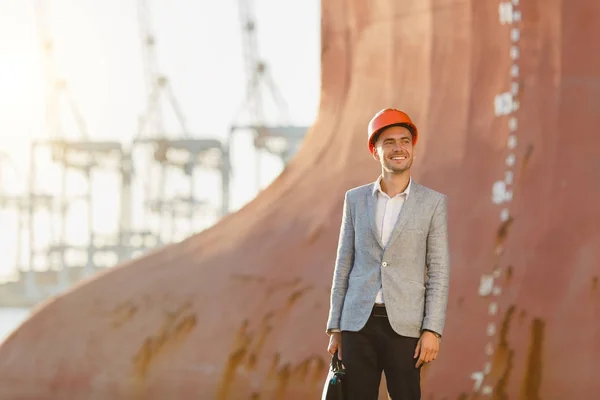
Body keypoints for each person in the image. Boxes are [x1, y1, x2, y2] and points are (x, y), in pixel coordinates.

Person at [325, 108, 450, 399]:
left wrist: (433, 329)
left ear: (413, 149)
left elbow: (439, 271)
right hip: (358, 324)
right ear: (375, 151)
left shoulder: (433, 203)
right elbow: (343, 264)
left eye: (405, 141)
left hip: (406, 327)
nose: (398, 148)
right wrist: (335, 326)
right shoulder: (355, 200)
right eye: (389, 142)